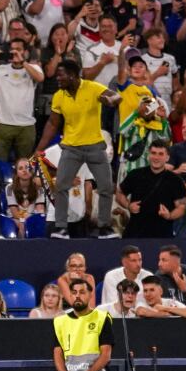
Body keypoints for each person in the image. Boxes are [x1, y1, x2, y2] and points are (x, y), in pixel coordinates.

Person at [36, 59, 120, 239]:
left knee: (106, 187)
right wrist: (39, 148)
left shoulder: (92, 87)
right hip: (71, 147)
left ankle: (105, 227)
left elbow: (115, 96)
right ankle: (61, 228)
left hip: (95, 146)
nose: (58, 79)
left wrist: (110, 100)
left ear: (73, 75)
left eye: (61, 75)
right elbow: (52, 123)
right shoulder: (59, 95)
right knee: (61, 186)